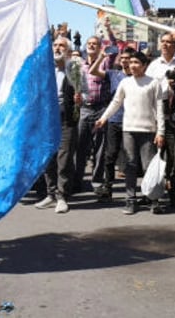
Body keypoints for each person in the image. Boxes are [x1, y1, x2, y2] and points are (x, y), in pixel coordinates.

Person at [94, 50, 166, 215]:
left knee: (149, 166)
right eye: (131, 63)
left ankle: (153, 200)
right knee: (130, 166)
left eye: (136, 63)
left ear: (144, 65)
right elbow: (116, 102)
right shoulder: (125, 83)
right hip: (128, 130)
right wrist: (104, 118)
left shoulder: (154, 83)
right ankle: (130, 200)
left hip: (148, 131)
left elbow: (160, 110)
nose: (132, 66)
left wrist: (160, 132)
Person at [35, 35, 83, 214]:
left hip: (67, 120)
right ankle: (50, 193)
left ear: (68, 51)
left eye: (61, 46)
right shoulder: (46, 70)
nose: (57, 48)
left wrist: (80, 99)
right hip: (47, 119)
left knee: (64, 159)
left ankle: (62, 197)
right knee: (48, 158)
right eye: (55, 45)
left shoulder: (74, 69)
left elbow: (82, 96)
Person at [89, 46, 135, 202]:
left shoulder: (138, 76)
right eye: (122, 59)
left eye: (128, 59)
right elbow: (93, 72)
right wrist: (101, 57)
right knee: (110, 155)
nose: (125, 62)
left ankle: (132, 190)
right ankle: (108, 187)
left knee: (130, 157)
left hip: (132, 121)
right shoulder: (114, 74)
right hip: (114, 119)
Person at [147, 33, 175, 207]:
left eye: (169, 42)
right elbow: (149, 90)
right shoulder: (154, 66)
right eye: (162, 41)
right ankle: (155, 193)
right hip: (158, 117)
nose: (165, 45)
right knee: (157, 156)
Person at [73, 35, 112, 195]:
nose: (91, 46)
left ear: (99, 47)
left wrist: (109, 31)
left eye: (95, 44)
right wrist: (77, 96)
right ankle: (77, 181)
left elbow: (114, 48)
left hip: (101, 109)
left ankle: (96, 181)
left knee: (100, 148)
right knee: (80, 146)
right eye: (89, 43)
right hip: (84, 109)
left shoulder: (105, 62)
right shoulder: (79, 65)